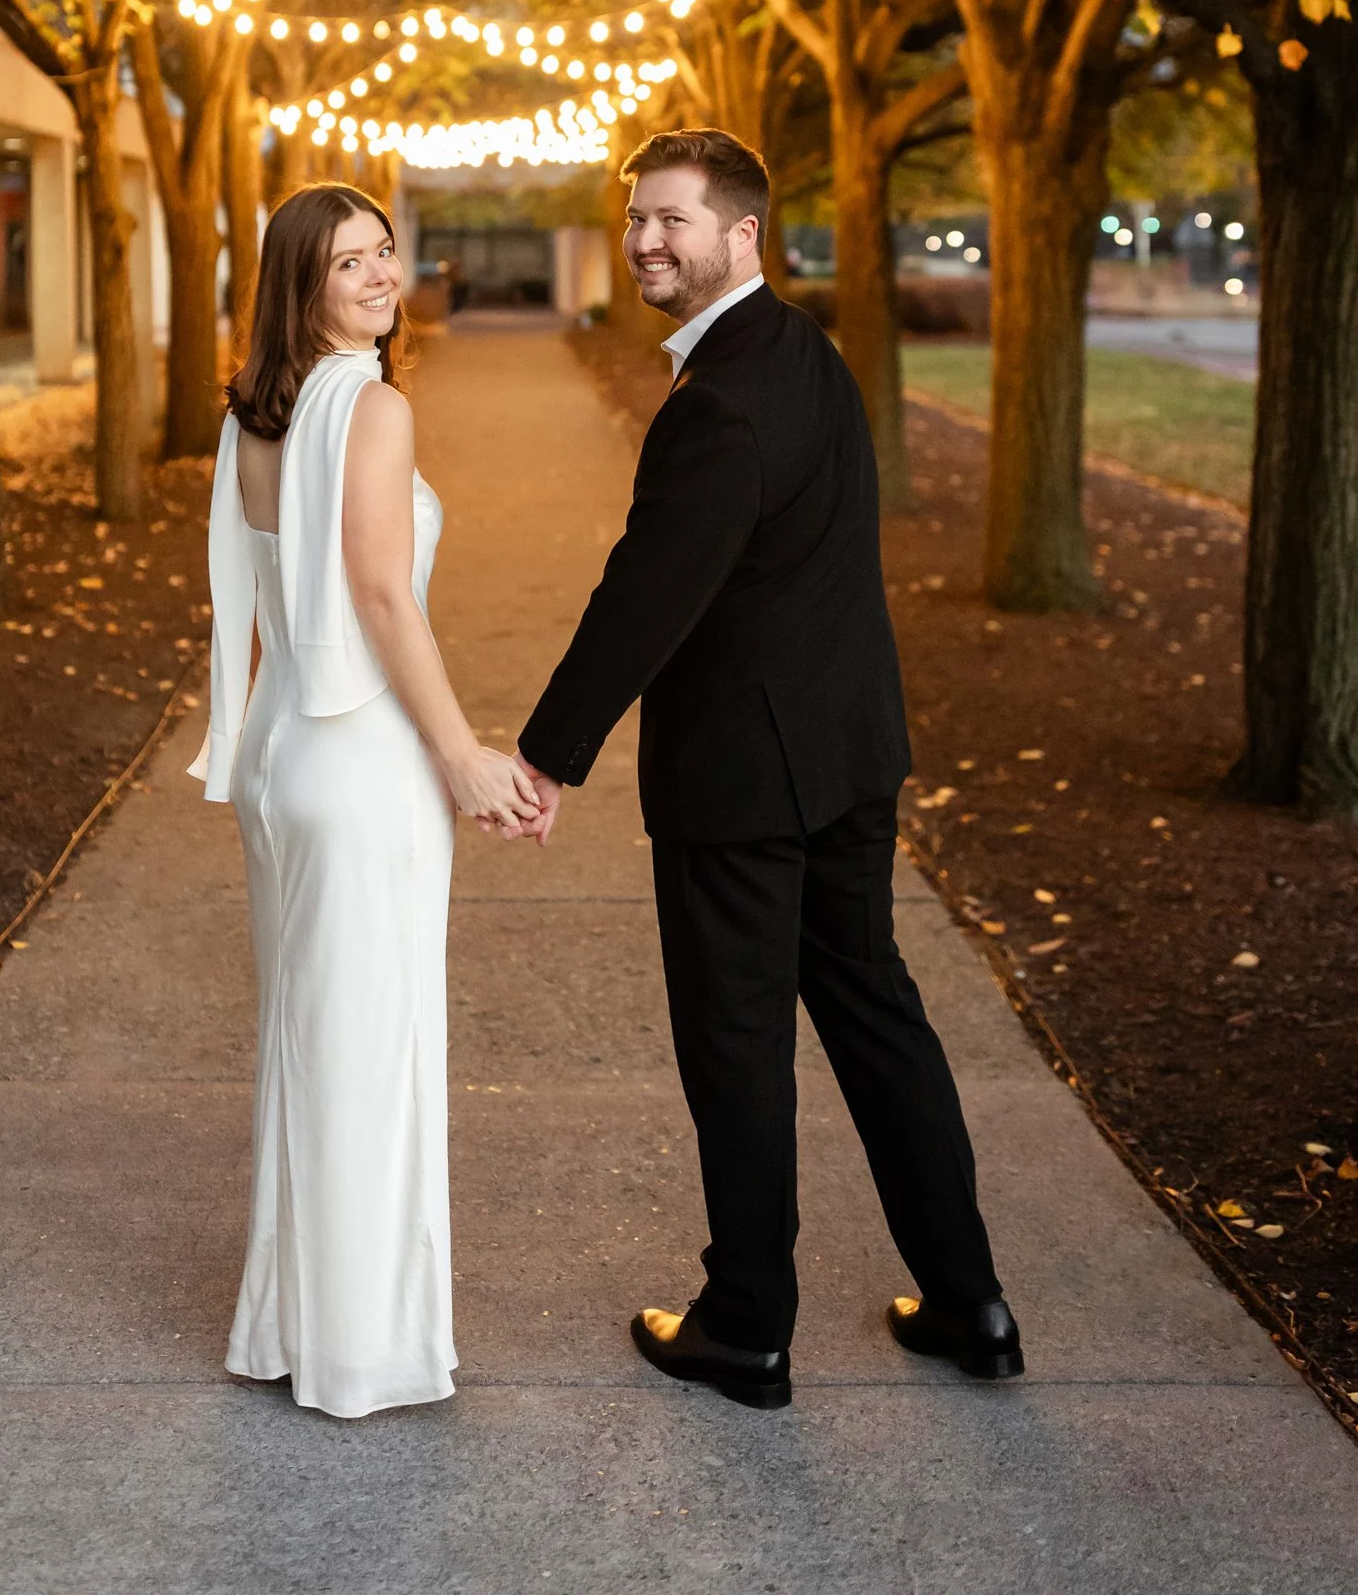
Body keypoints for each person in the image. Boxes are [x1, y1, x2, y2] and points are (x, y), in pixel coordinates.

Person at [506, 128, 1020, 1411]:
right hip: (846, 752)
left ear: (740, 233)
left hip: (743, 779)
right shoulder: (804, 352)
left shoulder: (718, 402)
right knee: (876, 1018)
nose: (644, 241)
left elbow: (646, 594)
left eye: (671, 220)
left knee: (736, 1046)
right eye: (636, 218)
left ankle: (743, 1327)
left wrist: (546, 752)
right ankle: (970, 1301)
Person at [191, 182, 538, 1418]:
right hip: (359, 759)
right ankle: (362, 1351)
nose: (382, 274)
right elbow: (383, 595)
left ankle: (291, 1326)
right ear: (303, 284)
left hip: (281, 752)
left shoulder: (254, 413)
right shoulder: (373, 407)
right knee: (369, 1050)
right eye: (349, 262)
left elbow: (267, 598)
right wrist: (459, 753)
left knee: (308, 1039)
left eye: (384, 250)